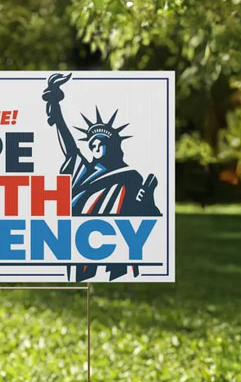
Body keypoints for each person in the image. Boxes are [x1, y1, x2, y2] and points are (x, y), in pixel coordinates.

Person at [42, 72, 160, 282]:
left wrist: (147, 199)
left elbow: (146, 217)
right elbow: (69, 147)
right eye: (92, 144)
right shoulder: (83, 171)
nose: (95, 147)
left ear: (113, 146)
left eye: (101, 143)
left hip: (111, 245)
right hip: (78, 239)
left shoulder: (129, 176)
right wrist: (55, 105)